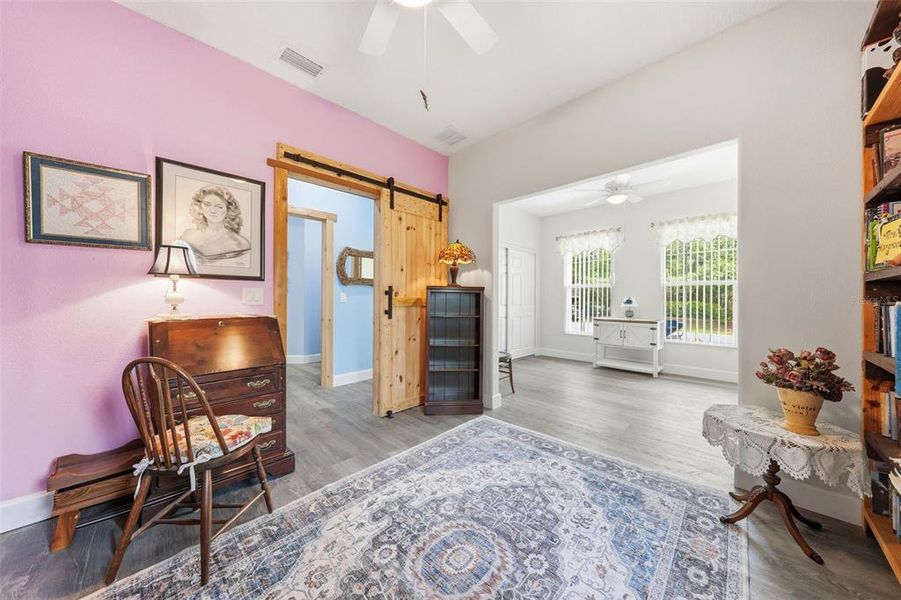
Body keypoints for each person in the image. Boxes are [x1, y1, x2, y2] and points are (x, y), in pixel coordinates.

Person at [179, 186, 250, 265]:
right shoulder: (187, 235)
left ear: (228, 210)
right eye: (207, 204)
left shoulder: (239, 244)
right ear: (200, 207)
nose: (212, 210)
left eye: (219, 206)